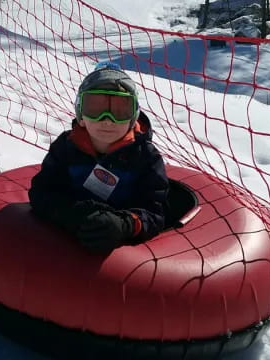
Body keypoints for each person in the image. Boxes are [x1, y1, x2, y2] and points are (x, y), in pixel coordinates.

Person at [28, 61, 169, 253]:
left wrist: (123, 225)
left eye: (119, 110)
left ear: (132, 117)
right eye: (95, 108)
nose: (107, 120)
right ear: (81, 114)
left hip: (122, 255)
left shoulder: (145, 157)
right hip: (63, 246)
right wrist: (71, 214)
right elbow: (41, 193)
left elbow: (155, 213)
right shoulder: (66, 148)